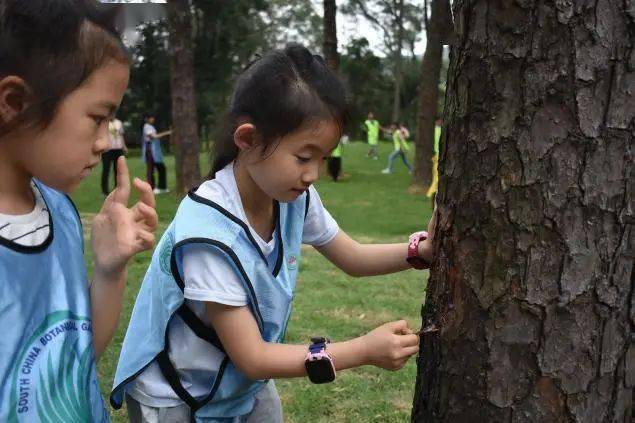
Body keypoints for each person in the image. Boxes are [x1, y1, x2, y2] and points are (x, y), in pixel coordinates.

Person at [111, 45, 435, 423]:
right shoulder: (209, 236)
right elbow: (252, 357)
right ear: (248, 139)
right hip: (172, 396)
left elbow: (354, 257)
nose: (313, 174)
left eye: (322, 159)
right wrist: (362, 350)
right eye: (303, 157)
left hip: (238, 382)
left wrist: (421, 253)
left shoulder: (293, 197)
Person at [0, 1, 158, 422]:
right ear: (14, 102)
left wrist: (110, 267)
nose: (105, 142)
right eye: (97, 118)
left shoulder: (61, 214)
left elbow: (77, 356)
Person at [141, 115, 171, 194]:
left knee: (161, 168)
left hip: (155, 150)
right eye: (151, 118)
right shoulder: (146, 127)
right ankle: (151, 188)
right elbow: (153, 136)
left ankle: (162, 187)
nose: (153, 119)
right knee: (151, 169)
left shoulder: (151, 127)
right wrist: (167, 132)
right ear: (147, 119)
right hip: (150, 150)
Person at [101, 117, 127, 195]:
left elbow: (121, 135)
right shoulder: (104, 123)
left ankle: (117, 188)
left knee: (118, 169)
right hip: (107, 149)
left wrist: (124, 146)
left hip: (118, 148)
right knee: (106, 169)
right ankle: (105, 191)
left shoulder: (119, 122)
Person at [425, 119, 442, 205]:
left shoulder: (439, 129)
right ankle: (433, 193)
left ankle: (433, 192)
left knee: (436, 176)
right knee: (436, 176)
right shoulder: (436, 130)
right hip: (437, 155)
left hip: (438, 155)